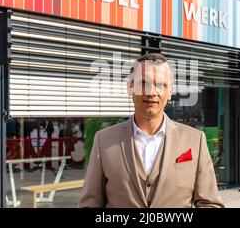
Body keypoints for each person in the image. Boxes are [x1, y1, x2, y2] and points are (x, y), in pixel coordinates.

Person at [79, 53, 224, 208]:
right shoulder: (104, 140)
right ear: (130, 88)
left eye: (160, 84)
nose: (151, 92)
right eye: (144, 83)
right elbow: (90, 204)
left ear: (170, 92)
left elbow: (210, 204)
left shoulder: (195, 140)